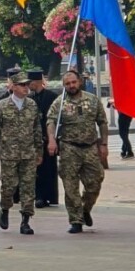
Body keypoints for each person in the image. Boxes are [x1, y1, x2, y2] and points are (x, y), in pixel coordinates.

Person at [47, 70, 108, 234]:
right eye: (67, 84)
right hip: (69, 148)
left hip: (89, 147)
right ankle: (76, 220)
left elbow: (102, 122)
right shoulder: (60, 103)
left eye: (73, 82)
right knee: (70, 186)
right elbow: (50, 121)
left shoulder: (92, 100)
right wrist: (52, 140)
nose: (71, 86)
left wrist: (104, 144)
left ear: (79, 82)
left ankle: (85, 208)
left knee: (95, 181)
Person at [0, 69, 42, 234]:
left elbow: (37, 129)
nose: (26, 88)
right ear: (13, 87)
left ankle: (25, 220)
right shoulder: (2, 106)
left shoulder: (32, 105)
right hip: (9, 154)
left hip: (28, 153)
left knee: (28, 187)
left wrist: (39, 150)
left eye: (27, 84)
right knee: (8, 186)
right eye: (21, 85)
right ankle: (4, 209)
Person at [26, 69, 60, 209]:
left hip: (48, 139)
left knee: (49, 169)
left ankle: (49, 196)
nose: (28, 86)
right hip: (34, 141)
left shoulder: (52, 97)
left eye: (30, 83)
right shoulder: (29, 99)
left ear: (37, 81)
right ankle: (38, 196)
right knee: (36, 170)